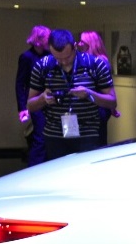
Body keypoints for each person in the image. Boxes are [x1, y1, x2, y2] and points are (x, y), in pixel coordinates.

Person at [27, 29, 118, 160]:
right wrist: (42, 99)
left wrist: (89, 94)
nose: (63, 62)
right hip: (55, 135)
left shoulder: (95, 65)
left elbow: (112, 101)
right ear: (50, 49)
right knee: (58, 171)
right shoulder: (42, 66)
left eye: (67, 57)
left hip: (88, 134)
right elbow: (30, 105)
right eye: (58, 58)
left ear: (75, 47)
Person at [76, 31, 121, 145]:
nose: (79, 44)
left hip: (98, 107)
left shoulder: (99, 61)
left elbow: (106, 87)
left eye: (82, 41)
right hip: (98, 105)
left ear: (90, 43)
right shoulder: (89, 60)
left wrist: (110, 107)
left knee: (97, 140)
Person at [16, 25, 50, 166]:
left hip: (48, 100)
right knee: (40, 136)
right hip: (35, 100)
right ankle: (35, 166)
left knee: (46, 135)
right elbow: (20, 83)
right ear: (39, 39)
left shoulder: (49, 55)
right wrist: (22, 108)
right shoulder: (27, 57)